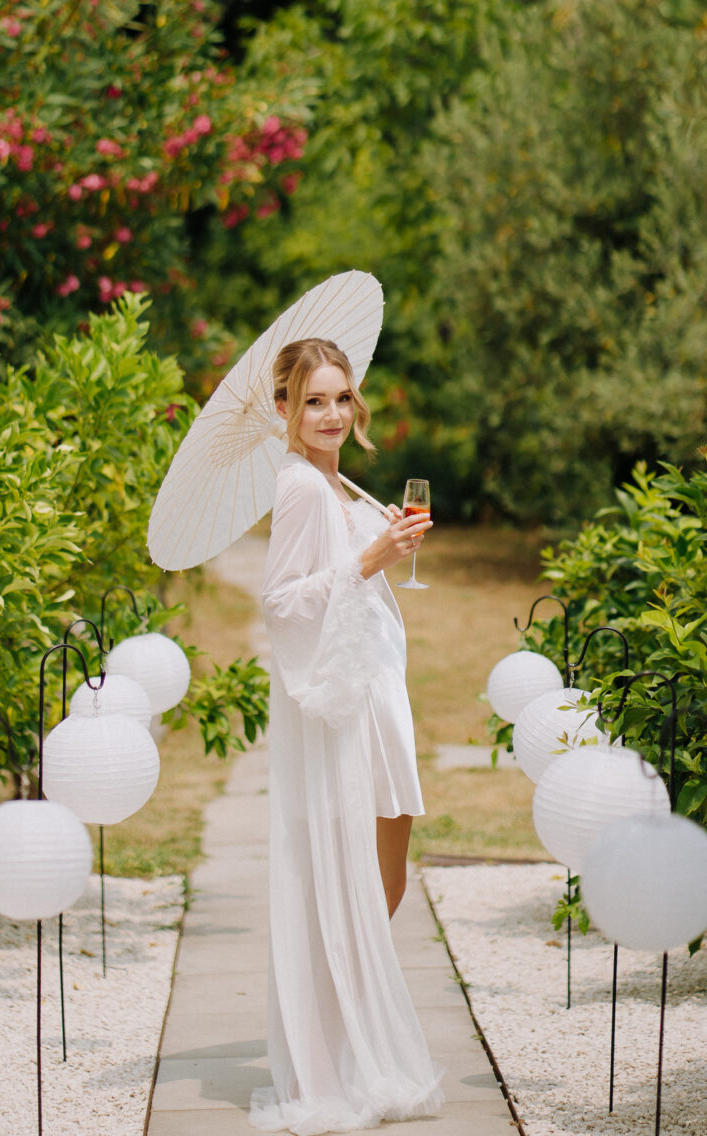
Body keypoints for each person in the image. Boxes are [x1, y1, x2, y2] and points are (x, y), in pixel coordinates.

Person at [248, 337, 445, 1136]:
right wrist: (367, 559)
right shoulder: (299, 486)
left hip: (380, 690)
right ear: (285, 409)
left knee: (383, 879)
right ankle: (331, 1056)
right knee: (349, 879)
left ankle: (344, 1034)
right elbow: (280, 603)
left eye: (339, 398)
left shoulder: (340, 482)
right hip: (345, 704)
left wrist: (390, 545)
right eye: (312, 401)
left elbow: (356, 578)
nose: (330, 414)